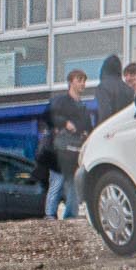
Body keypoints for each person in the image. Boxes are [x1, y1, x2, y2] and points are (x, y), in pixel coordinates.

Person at [43, 70, 94, 220]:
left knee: (73, 184)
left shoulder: (82, 106)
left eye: (84, 80)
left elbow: (87, 127)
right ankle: (50, 215)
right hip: (58, 151)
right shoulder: (61, 101)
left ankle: (70, 216)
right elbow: (49, 116)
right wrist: (65, 123)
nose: (83, 84)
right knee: (57, 182)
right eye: (80, 80)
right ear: (71, 82)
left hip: (73, 151)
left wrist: (85, 133)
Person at [93, 53, 135, 123]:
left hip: (110, 129)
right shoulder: (129, 89)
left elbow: (105, 113)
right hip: (125, 126)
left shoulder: (102, 88)